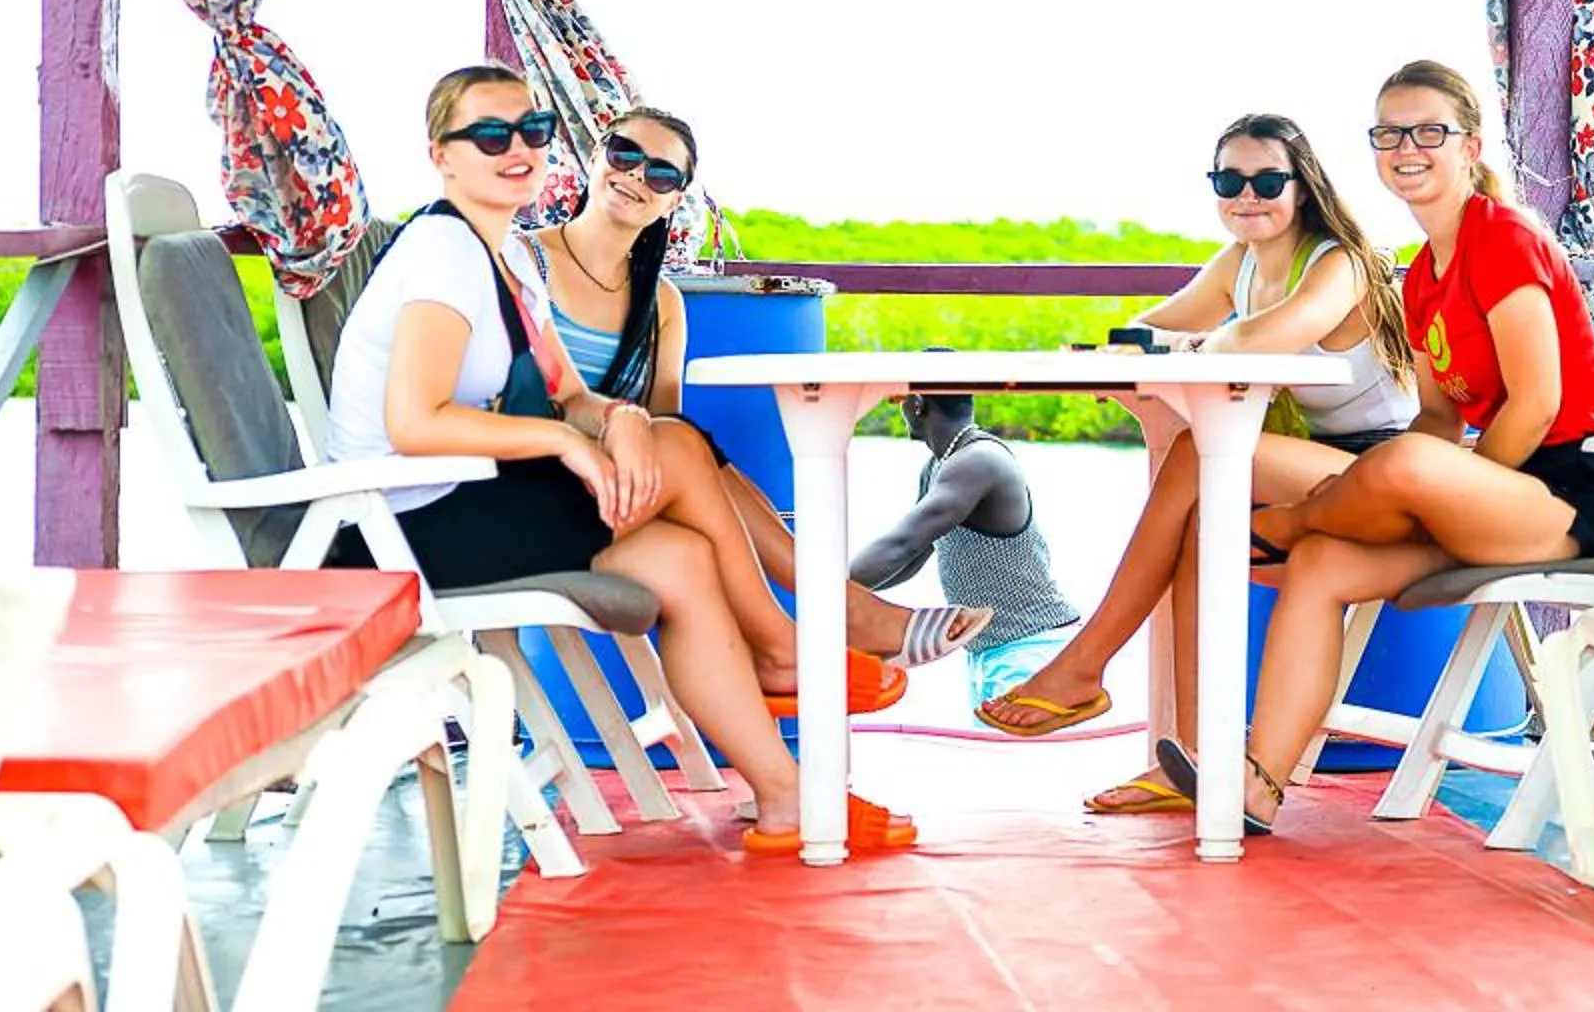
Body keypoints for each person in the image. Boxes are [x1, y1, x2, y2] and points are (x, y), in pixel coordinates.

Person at [323, 63, 917, 855]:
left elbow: (571, 392)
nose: (518, 150)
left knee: (681, 558)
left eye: (532, 132)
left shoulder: (502, 262)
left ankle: (784, 798)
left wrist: (619, 416)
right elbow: (418, 422)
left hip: (459, 508)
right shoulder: (443, 250)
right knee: (679, 449)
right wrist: (569, 440)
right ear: (443, 154)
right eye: (490, 135)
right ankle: (781, 645)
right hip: (399, 523)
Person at [1157, 60, 1594, 834]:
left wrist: (1438, 489)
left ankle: (1280, 526)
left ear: (1470, 146)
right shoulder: (1419, 280)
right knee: (1322, 564)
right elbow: (1440, 418)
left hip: (1570, 496)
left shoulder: (1503, 238)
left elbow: (1539, 402)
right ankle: (1257, 785)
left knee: (1403, 469)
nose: (1406, 147)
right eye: (1389, 133)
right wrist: (1433, 493)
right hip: (1483, 502)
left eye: (1428, 132)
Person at [973, 111, 1419, 818]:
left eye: (1268, 180)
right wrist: (1119, 348)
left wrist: (1188, 346)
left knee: (1194, 456)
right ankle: (1190, 758)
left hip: (1390, 473)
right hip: (1318, 473)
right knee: (1198, 526)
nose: (1248, 195)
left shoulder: (1339, 263)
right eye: (1229, 180)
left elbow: (1271, 337)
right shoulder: (1238, 264)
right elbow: (1155, 325)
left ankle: (1084, 665)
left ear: (1302, 187)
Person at [530, 105, 996, 677]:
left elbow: (665, 431)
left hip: (623, 491)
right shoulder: (526, 261)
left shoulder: (663, 303)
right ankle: (824, 623)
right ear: (595, 156)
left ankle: (811, 632)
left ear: (675, 200)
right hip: (535, 486)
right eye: (625, 154)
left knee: (685, 446)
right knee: (686, 449)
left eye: (660, 174)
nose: (634, 177)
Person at [851, 392, 1083, 712]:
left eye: (900, 399)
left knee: (1016, 758)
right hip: (991, 651)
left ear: (917, 404)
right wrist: (845, 596)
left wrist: (812, 593)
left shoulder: (979, 461)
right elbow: (913, 557)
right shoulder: (939, 465)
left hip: (1031, 648)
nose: (898, 407)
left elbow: (901, 546)